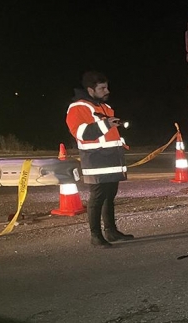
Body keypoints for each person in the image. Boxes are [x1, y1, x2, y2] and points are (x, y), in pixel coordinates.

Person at [65, 71, 134, 248]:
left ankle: (111, 231)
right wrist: (106, 124)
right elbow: (81, 133)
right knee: (97, 198)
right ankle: (95, 236)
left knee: (109, 196)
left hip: (111, 159)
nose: (107, 91)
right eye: (102, 88)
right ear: (90, 90)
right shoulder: (78, 107)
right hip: (96, 160)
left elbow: (107, 133)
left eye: (106, 87)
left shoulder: (103, 106)